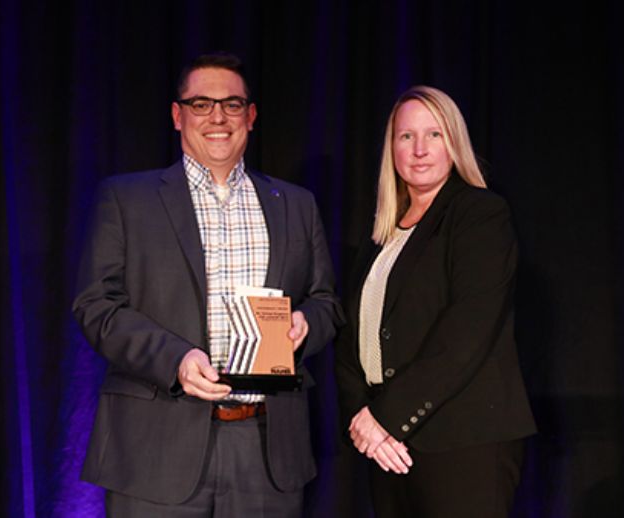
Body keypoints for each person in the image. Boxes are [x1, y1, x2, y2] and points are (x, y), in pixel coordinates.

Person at [73, 52, 342, 517]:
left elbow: (326, 303)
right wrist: (174, 360)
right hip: (155, 448)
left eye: (232, 105)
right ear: (177, 116)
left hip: (266, 452)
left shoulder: (296, 204)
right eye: (201, 104)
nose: (217, 117)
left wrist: (306, 324)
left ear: (251, 116)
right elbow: (98, 306)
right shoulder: (126, 199)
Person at [335, 85, 536, 517]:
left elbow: (466, 333)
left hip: (462, 440)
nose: (420, 149)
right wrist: (362, 419)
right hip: (387, 443)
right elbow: (353, 333)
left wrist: (385, 417)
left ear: (454, 143)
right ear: (391, 148)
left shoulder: (479, 214)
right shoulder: (383, 234)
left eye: (435, 135)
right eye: (406, 136)